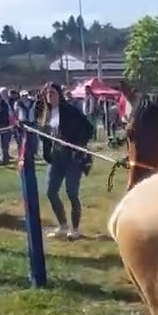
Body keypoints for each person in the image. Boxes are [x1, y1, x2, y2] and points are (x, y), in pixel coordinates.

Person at [40, 82, 96, 239]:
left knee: (72, 193)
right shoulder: (47, 113)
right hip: (56, 158)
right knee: (51, 192)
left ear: (59, 94)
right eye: (47, 93)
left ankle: (75, 229)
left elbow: (88, 128)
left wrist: (78, 145)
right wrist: (47, 152)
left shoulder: (70, 110)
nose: (50, 96)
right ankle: (63, 226)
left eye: (53, 93)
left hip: (72, 158)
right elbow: (45, 137)